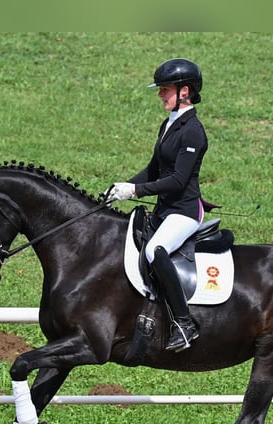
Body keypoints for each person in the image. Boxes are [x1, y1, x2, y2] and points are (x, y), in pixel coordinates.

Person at [106, 57, 208, 352]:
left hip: (185, 211)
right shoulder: (170, 123)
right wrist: (121, 187)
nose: (160, 94)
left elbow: (177, 181)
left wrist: (135, 190)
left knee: (154, 250)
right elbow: (154, 170)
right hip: (165, 210)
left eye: (165, 89)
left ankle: (184, 323)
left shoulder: (193, 131)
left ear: (185, 92)